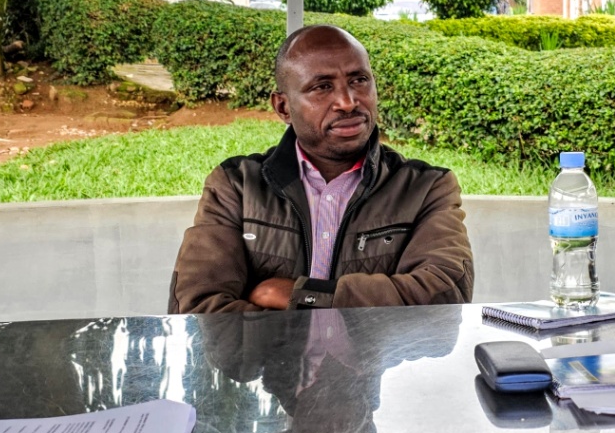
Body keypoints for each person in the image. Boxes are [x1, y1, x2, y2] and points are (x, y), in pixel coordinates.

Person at [170, 25, 473, 312]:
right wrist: (302, 348)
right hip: (268, 367)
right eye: (322, 87)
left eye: (359, 80)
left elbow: (446, 294)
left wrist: (304, 296)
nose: (347, 101)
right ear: (283, 107)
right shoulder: (238, 186)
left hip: (377, 368)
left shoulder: (424, 188)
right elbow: (197, 307)